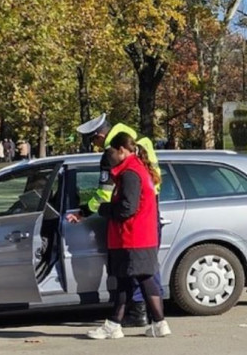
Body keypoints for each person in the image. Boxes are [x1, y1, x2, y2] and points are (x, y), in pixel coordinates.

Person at [66, 113, 161, 327]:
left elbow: (104, 194)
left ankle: (137, 315)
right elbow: (154, 182)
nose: (95, 145)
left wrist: (86, 211)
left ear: (100, 135)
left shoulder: (113, 155)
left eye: (94, 140)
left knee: (129, 272)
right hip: (150, 213)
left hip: (129, 221)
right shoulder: (141, 142)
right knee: (146, 271)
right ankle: (150, 318)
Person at [87, 132, 171, 339]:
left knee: (136, 279)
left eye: (111, 152)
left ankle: (130, 324)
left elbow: (127, 208)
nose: (109, 156)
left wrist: (104, 210)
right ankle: (134, 324)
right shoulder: (137, 170)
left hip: (132, 236)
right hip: (140, 236)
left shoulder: (130, 174)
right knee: (134, 280)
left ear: (122, 151)